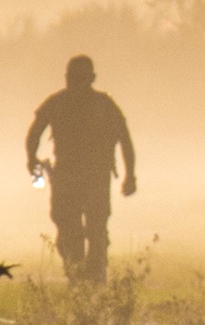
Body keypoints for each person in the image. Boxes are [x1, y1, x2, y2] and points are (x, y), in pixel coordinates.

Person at [26, 55, 136, 283]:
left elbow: (124, 139)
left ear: (92, 78)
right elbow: (34, 134)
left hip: (92, 178)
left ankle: (93, 281)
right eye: (72, 78)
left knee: (95, 232)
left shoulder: (101, 105)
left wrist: (130, 176)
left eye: (80, 78)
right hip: (71, 178)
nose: (75, 83)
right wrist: (31, 159)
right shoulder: (61, 103)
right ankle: (79, 279)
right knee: (69, 232)